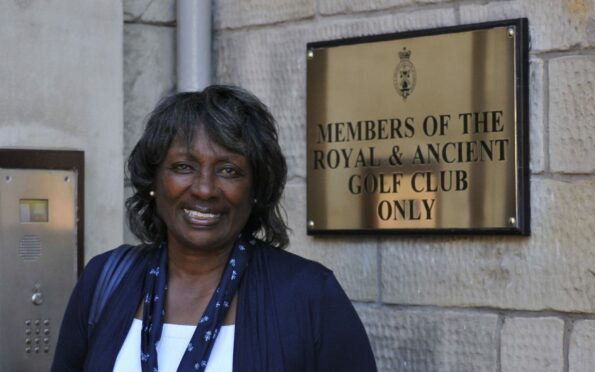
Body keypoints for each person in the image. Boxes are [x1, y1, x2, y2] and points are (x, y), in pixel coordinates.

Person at [52, 85, 377, 371]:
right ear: (154, 181)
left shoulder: (309, 295)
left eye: (229, 170)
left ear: (256, 189)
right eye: (183, 167)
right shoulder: (104, 281)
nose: (204, 189)